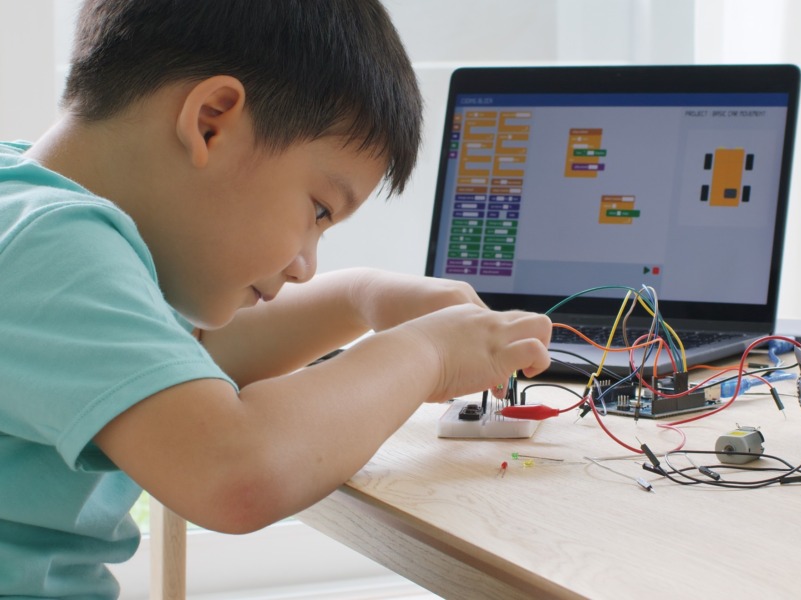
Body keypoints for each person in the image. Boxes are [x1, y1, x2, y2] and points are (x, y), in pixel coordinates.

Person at [0, 0, 552, 596]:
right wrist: (428, 354)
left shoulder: (29, 212)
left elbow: (184, 359)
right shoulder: (52, 245)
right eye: (319, 210)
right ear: (211, 121)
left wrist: (362, 298)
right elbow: (234, 469)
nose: (307, 266)